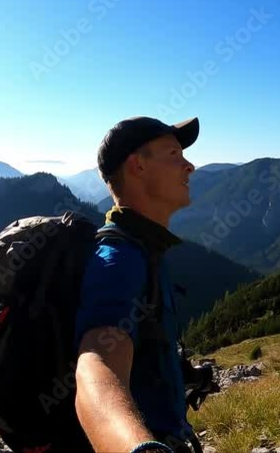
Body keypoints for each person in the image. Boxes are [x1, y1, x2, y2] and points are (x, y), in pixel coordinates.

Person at [73, 115, 210, 453]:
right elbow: (95, 367)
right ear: (138, 166)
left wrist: (181, 374)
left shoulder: (143, 249)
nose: (190, 166)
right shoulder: (118, 260)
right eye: (174, 155)